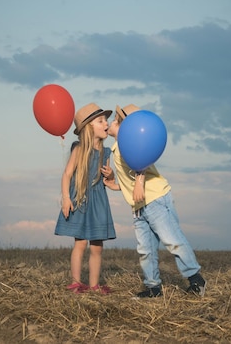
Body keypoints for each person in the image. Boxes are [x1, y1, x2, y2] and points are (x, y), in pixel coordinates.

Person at [103, 104, 206, 298]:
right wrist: (114, 184)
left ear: (129, 129)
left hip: (156, 199)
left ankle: (196, 280)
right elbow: (130, 182)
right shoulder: (118, 149)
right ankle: (153, 288)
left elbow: (140, 166)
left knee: (172, 240)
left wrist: (140, 181)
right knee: (146, 249)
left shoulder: (133, 145)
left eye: (117, 121)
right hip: (139, 206)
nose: (111, 123)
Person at [54, 103, 116, 294]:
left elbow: (106, 181)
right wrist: (66, 198)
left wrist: (111, 176)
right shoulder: (79, 149)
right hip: (80, 199)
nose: (106, 123)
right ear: (89, 127)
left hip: (98, 203)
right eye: (101, 121)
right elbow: (66, 174)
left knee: (97, 247)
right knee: (80, 244)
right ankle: (75, 283)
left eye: (106, 120)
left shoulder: (106, 153)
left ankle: (94, 285)